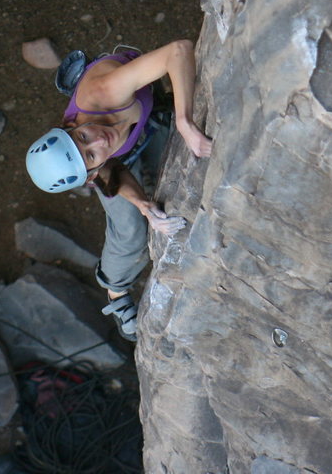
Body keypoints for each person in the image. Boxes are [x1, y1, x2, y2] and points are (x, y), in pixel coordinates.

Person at [25, 40, 212, 342]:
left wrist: (185, 122)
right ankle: (116, 291)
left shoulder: (102, 94)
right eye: (90, 155)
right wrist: (141, 204)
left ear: (71, 125)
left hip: (147, 122)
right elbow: (110, 171)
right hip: (129, 147)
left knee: (168, 179)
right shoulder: (98, 165)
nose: (98, 140)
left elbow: (179, 50)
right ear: (90, 174)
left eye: (83, 136)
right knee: (130, 231)